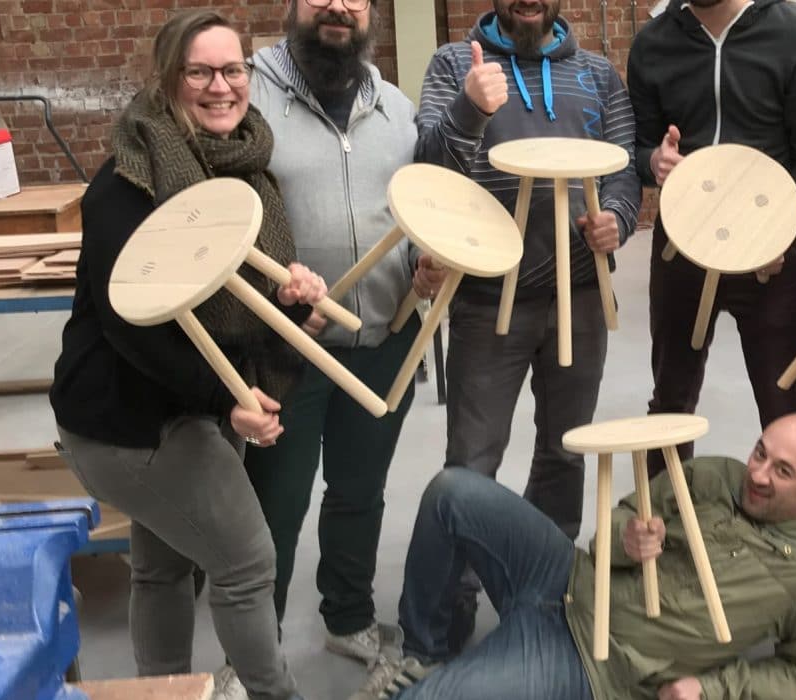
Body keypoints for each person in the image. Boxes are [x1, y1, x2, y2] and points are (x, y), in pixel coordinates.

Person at [50, 10, 328, 700]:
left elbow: (232, 301)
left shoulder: (245, 170)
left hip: (186, 406)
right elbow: (132, 326)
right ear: (168, 79)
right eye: (198, 72)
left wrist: (292, 300)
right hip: (126, 420)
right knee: (247, 562)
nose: (219, 86)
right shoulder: (128, 182)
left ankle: (163, 692)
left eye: (232, 69)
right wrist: (224, 402)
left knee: (164, 567)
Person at [243, 0, 476, 668]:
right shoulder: (251, 98)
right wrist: (272, 300)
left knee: (358, 492)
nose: (339, 6)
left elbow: (412, 208)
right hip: (287, 345)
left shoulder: (395, 108)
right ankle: (253, 649)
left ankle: (347, 617)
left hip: (383, 337)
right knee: (276, 502)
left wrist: (422, 262)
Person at [411, 0, 641, 649]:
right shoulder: (454, 64)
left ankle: (541, 588)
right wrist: (470, 107)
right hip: (487, 296)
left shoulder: (597, 73)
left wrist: (618, 219)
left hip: (580, 295)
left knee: (564, 452)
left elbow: (623, 167)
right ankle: (450, 603)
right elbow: (428, 169)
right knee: (470, 461)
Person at [355, 413, 796, 700]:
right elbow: (624, 514)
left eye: (783, 471)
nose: (758, 474)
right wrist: (626, 539)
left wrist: (711, 689)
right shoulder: (714, 476)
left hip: (593, 660)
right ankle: (424, 651)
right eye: (761, 452)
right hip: (566, 575)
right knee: (453, 493)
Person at [626, 0, 796, 477]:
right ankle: (665, 516)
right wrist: (654, 161)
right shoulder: (653, 43)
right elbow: (640, 148)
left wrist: (777, 230)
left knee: (785, 400)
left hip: (767, 253)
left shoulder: (793, 32)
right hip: (682, 247)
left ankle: (794, 522)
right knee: (671, 400)